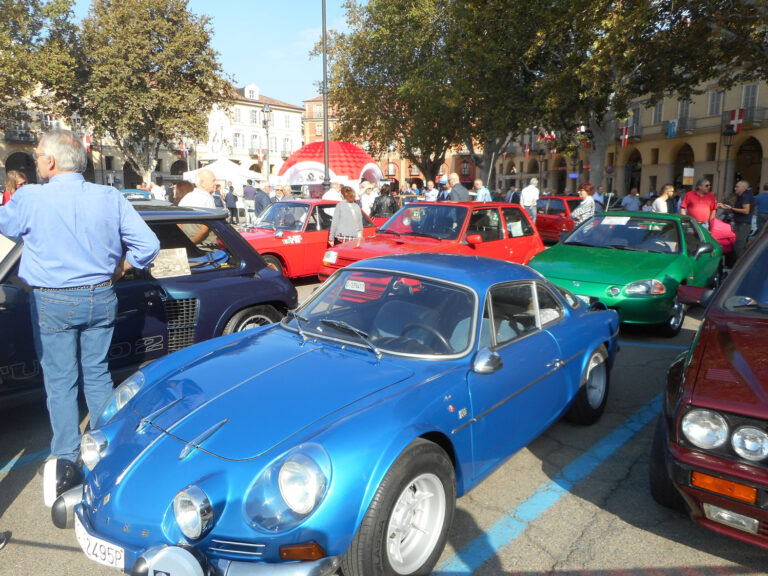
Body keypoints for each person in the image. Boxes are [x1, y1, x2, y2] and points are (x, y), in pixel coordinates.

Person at [0, 130, 159, 505]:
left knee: (60, 382)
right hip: (101, 295)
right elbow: (149, 245)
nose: (36, 160)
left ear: (51, 163)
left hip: (53, 300)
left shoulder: (31, 197)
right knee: (98, 373)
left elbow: (6, 228)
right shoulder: (109, 196)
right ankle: (105, 450)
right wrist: (120, 268)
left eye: (38, 155)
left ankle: (67, 460)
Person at [719, 180, 754, 263]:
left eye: (737, 187)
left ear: (744, 187)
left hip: (743, 225)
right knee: (737, 245)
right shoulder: (743, 196)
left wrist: (731, 208)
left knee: (739, 247)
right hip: (740, 224)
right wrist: (727, 208)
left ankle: (740, 266)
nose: (735, 188)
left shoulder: (745, 196)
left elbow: (746, 210)